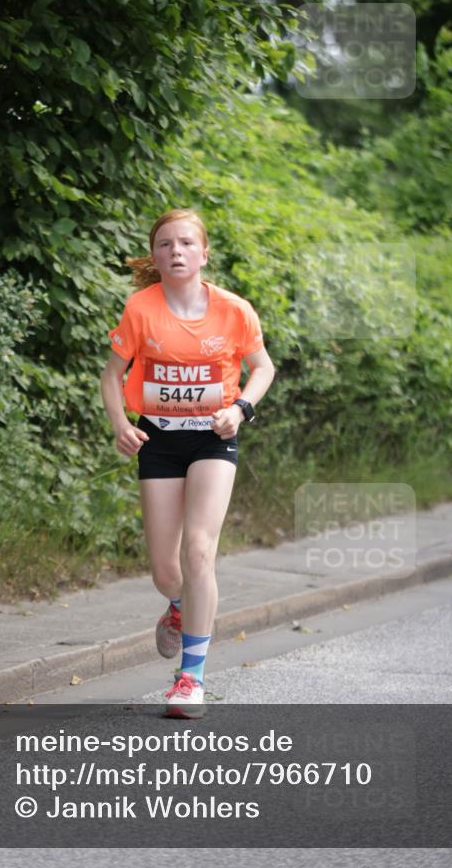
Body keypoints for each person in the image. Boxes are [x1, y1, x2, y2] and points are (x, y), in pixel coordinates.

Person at [100, 208, 275, 717]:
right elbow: (113, 376)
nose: (175, 251)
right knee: (165, 570)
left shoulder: (234, 310)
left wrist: (240, 409)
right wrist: (121, 425)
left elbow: (261, 368)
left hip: (213, 439)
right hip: (158, 438)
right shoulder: (141, 309)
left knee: (199, 551)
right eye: (164, 245)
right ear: (155, 256)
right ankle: (177, 607)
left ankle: (190, 679)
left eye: (185, 244)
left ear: (203, 253)